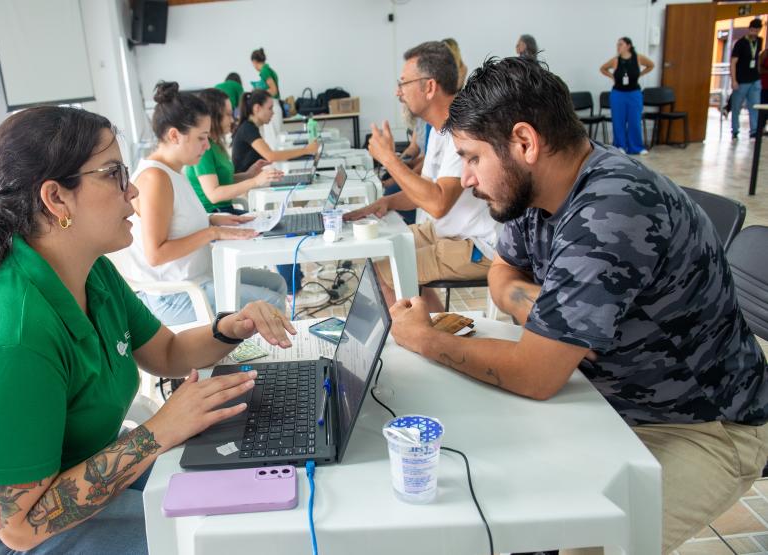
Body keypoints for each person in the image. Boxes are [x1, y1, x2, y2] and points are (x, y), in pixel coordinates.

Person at [391, 56, 768, 554]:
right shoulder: (542, 188)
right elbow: (503, 271)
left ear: (525, 142)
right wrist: (538, 310)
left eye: (473, 157)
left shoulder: (612, 209)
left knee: (579, 542)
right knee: (502, 490)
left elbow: (536, 374)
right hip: (610, 396)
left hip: (700, 425)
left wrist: (424, 338)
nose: (465, 178)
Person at [0, 105, 297, 555]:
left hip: (68, 476)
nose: (132, 190)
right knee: (207, 542)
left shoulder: (89, 271)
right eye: (114, 174)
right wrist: (159, 431)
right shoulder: (9, 334)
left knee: (241, 498)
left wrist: (231, 327)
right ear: (56, 198)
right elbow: (21, 525)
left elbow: (166, 353)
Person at [344, 41, 498, 311]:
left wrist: (389, 158)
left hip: (477, 243)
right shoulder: (439, 130)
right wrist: (387, 203)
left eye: (403, 83)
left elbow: (438, 203)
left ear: (429, 87)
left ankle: (430, 340)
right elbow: (425, 189)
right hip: (448, 232)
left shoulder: (463, 130)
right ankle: (437, 335)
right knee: (379, 252)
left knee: (390, 268)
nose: (397, 91)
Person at [129, 83, 287, 326]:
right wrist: (212, 232)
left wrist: (215, 220)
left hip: (200, 277)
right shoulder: (155, 179)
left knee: (277, 284)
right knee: (270, 304)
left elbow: (175, 222)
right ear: (174, 135)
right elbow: (156, 254)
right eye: (201, 138)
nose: (207, 145)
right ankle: (275, 361)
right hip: (176, 295)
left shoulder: (173, 171)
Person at [231, 89, 319, 298]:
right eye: (270, 108)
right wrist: (307, 150)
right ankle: (292, 288)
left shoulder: (251, 127)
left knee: (294, 211)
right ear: (256, 108)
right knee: (287, 223)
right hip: (247, 191)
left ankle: (294, 282)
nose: (273, 113)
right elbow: (270, 155)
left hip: (253, 184)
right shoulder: (248, 128)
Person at [185, 88, 283, 215]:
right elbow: (214, 195)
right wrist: (255, 181)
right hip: (214, 215)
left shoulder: (215, 144)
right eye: (228, 115)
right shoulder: (204, 149)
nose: (232, 120)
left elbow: (223, 179)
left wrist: (248, 174)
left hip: (224, 211)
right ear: (214, 116)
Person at [599, 37, 654, 155]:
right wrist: (611, 76)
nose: (618, 47)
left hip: (634, 94)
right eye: (617, 45)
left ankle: (636, 147)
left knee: (634, 120)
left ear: (628, 46)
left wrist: (640, 74)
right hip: (618, 94)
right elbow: (603, 68)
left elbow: (651, 65)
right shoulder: (615, 60)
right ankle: (620, 146)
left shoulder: (638, 57)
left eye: (621, 44)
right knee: (618, 121)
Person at [730, 18, 764, 140]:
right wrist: (733, 80)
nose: (754, 33)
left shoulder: (760, 41)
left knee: (754, 106)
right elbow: (733, 62)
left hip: (755, 79)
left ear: (760, 30)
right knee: (736, 106)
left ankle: (754, 130)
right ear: (749, 29)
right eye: (752, 30)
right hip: (741, 80)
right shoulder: (740, 43)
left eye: (756, 30)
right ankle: (735, 130)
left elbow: (757, 58)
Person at [250, 48, 284, 145]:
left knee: (272, 141)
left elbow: (273, 90)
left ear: (254, 62)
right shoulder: (269, 70)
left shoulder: (264, 71)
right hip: (273, 107)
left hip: (271, 108)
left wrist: (258, 92)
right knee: (273, 140)